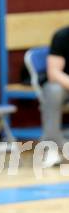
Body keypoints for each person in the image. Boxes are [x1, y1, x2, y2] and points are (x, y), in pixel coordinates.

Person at [41, 26, 69, 167]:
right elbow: (54, 73)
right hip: (65, 86)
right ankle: (51, 148)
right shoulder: (62, 36)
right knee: (53, 90)